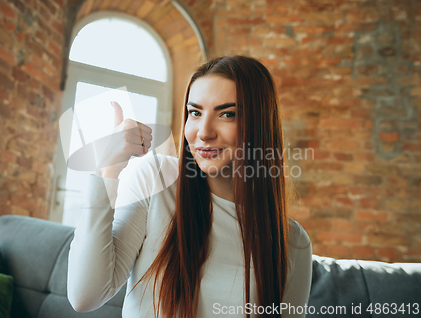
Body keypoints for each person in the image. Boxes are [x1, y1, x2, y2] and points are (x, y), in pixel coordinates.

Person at [67, 55, 312, 318]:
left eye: (227, 114)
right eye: (195, 112)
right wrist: (108, 170)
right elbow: (85, 296)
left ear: (260, 125)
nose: (203, 132)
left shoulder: (292, 243)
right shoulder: (156, 179)